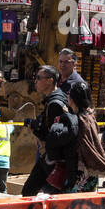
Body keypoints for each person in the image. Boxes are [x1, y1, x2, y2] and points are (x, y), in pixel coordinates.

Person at [64, 81, 105, 191]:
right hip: (91, 170)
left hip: (81, 172)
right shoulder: (89, 115)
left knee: (75, 204)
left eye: (69, 94)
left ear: (72, 99)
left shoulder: (79, 120)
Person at [21, 65, 73, 197]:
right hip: (51, 157)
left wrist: (36, 128)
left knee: (37, 193)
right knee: (30, 191)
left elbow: (54, 135)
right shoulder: (58, 97)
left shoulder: (55, 103)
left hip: (53, 159)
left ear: (49, 81)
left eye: (38, 78)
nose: (35, 81)